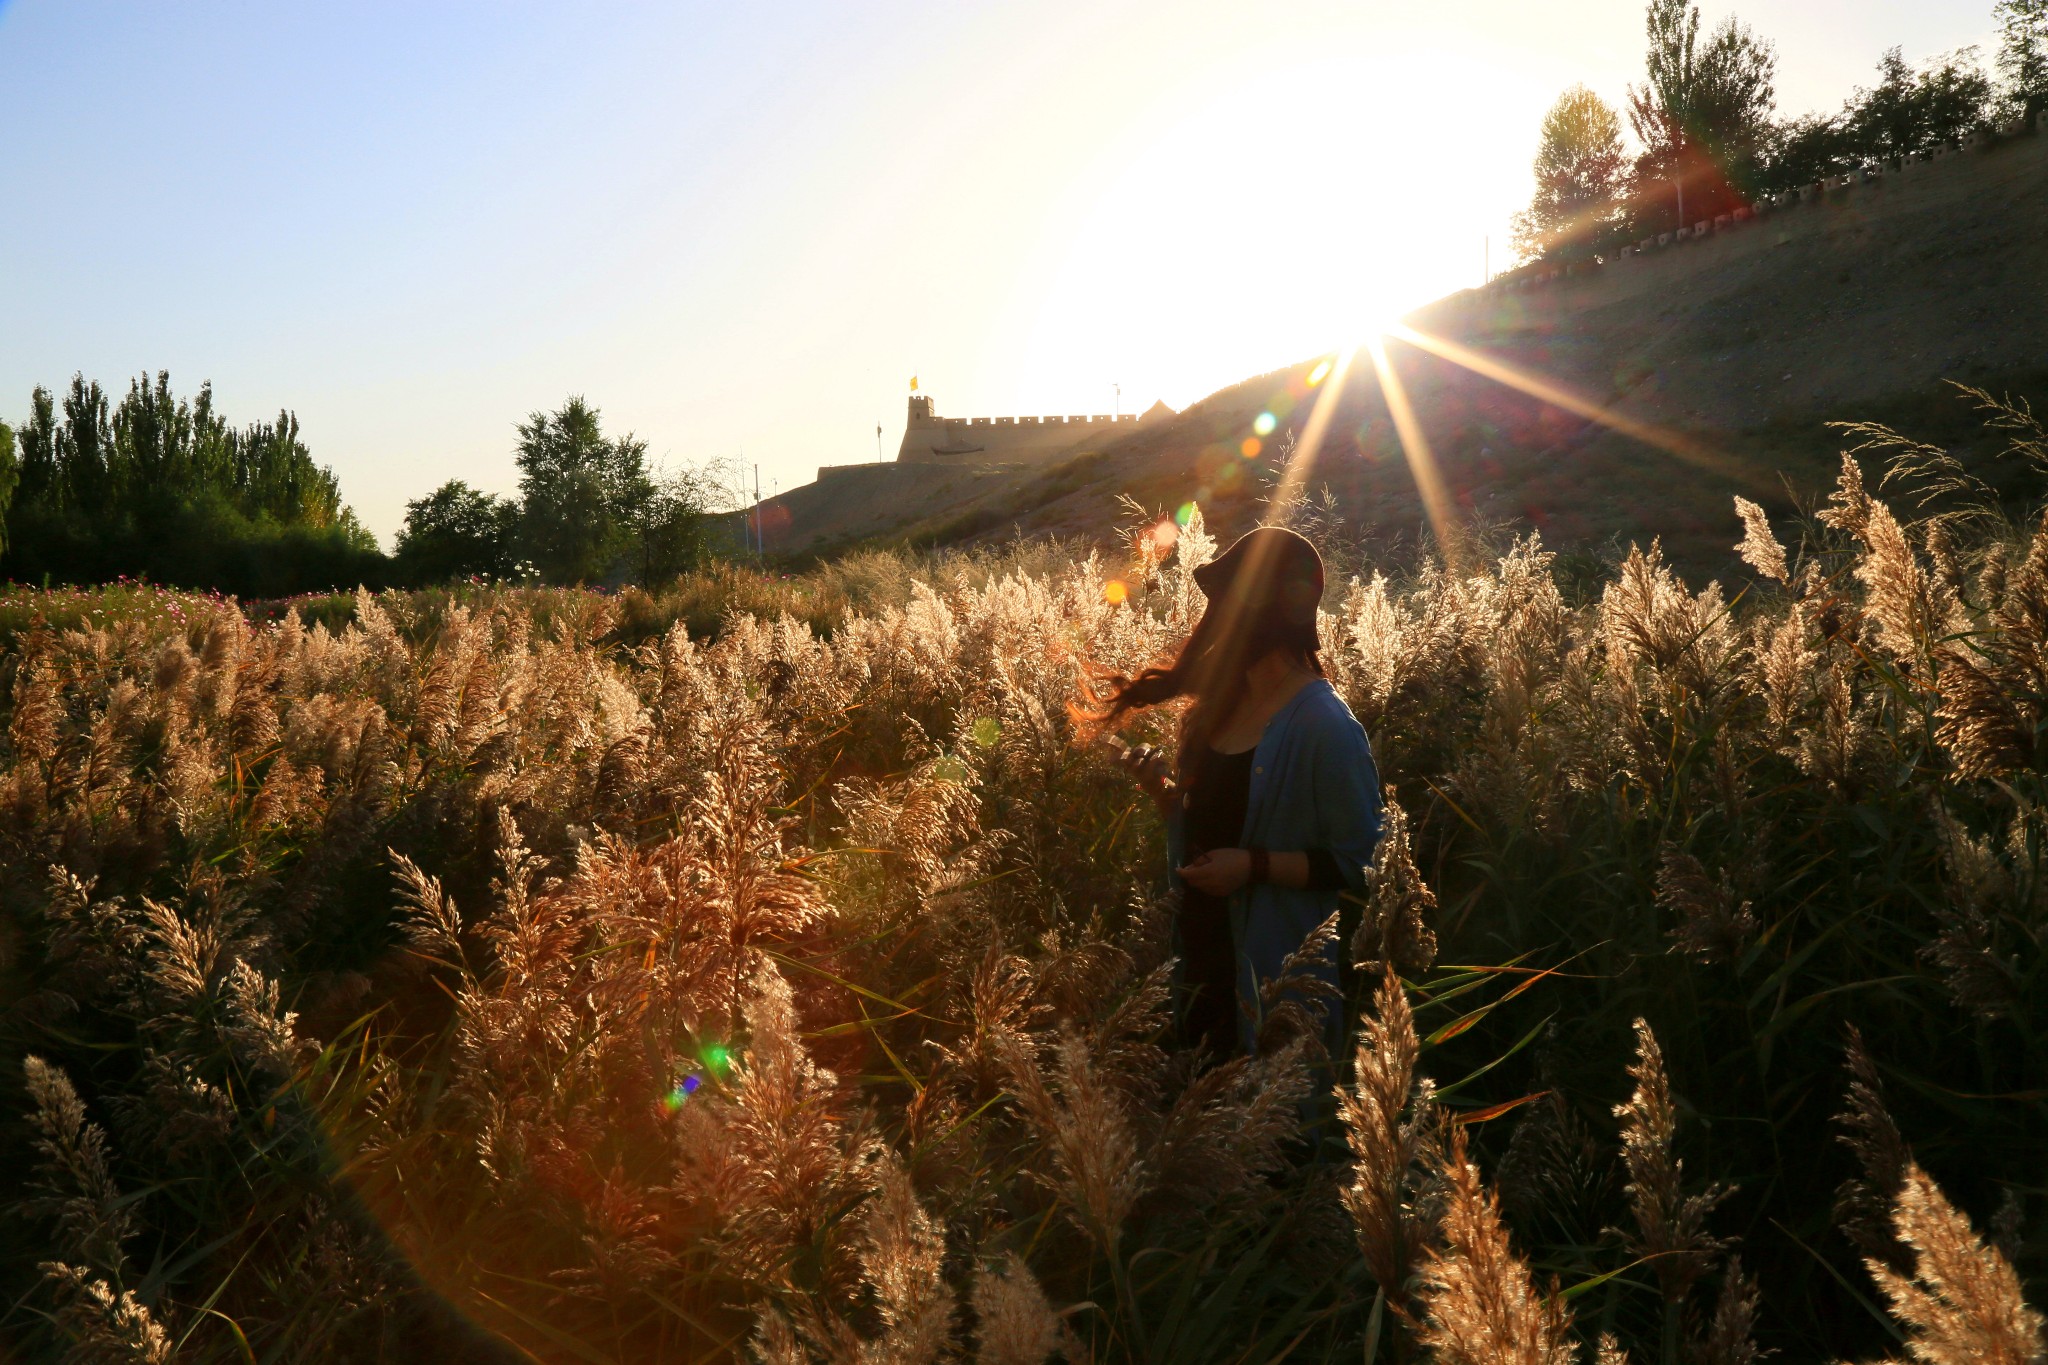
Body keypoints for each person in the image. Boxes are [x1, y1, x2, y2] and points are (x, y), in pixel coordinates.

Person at [1095, 526, 1383, 1058]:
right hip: (1201, 965)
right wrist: (1163, 793)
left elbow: (1362, 861)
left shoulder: (1324, 724)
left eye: (1230, 604)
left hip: (1272, 983)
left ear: (1267, 611)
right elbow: (1214, 821)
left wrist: (1252, 866)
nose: (1215, 620)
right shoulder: (1227, 701)